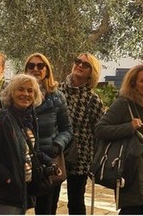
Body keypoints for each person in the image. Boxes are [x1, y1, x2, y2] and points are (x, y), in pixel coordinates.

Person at [95, 64, 143, 214]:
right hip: (131, 170)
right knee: (131, 210)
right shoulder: (124, 103)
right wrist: (129, 127)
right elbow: (100, 129)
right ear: (133, 84)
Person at [0, 74, 58, 214]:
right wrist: (9, 178)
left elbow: (32, 151)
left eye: (30, 91)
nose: (25, 94)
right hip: (2, 195)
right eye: (20, 89)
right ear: (11, 93)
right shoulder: (0, 121)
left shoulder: (30, 120)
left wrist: (50, 162)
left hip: (21, 193)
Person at [24, 53, 73, 215]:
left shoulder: (57, 97)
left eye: (40, 66)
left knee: (46, 209)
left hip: (48, 161)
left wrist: (57, 145)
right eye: (31, 66)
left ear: (47, 70)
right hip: (22, 161)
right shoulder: (20, 94)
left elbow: (67, 128)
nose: (36, 69)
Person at [58, 53, 104, 215]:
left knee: (76, 202)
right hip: (56, 153)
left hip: (81, 157)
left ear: (92, 71)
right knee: (49, 200)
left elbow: (99, 132)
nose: (80, 65)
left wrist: (95, 159)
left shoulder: (94, 100)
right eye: (78, 61)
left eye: (86, 64)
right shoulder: (58, 91)